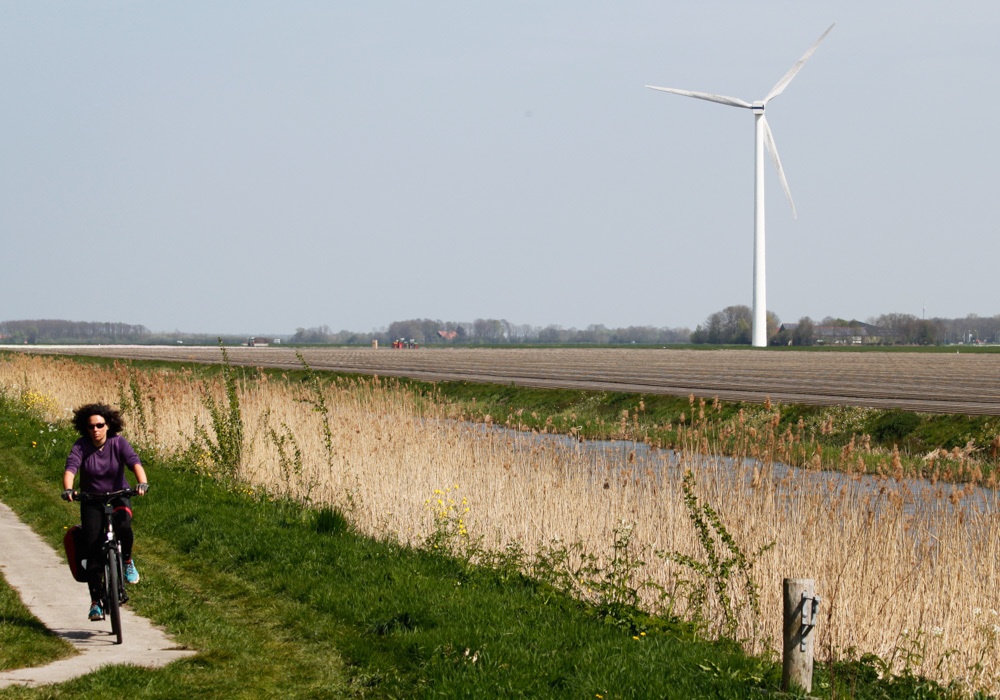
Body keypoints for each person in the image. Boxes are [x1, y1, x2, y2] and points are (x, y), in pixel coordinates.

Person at [62, 403, 149, 621]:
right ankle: (95, 602)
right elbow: (71, 468)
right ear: (86, 428)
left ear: (108, 425)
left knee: (124, 526)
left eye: (100, 425)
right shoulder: (81, 446)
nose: (96, 430)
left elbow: (134, 463)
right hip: (91, 500)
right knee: (93, 550)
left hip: (119, 495)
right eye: (91, 427)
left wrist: (142, 483)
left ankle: (127, 561)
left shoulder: (118, 443)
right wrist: (69, 489)